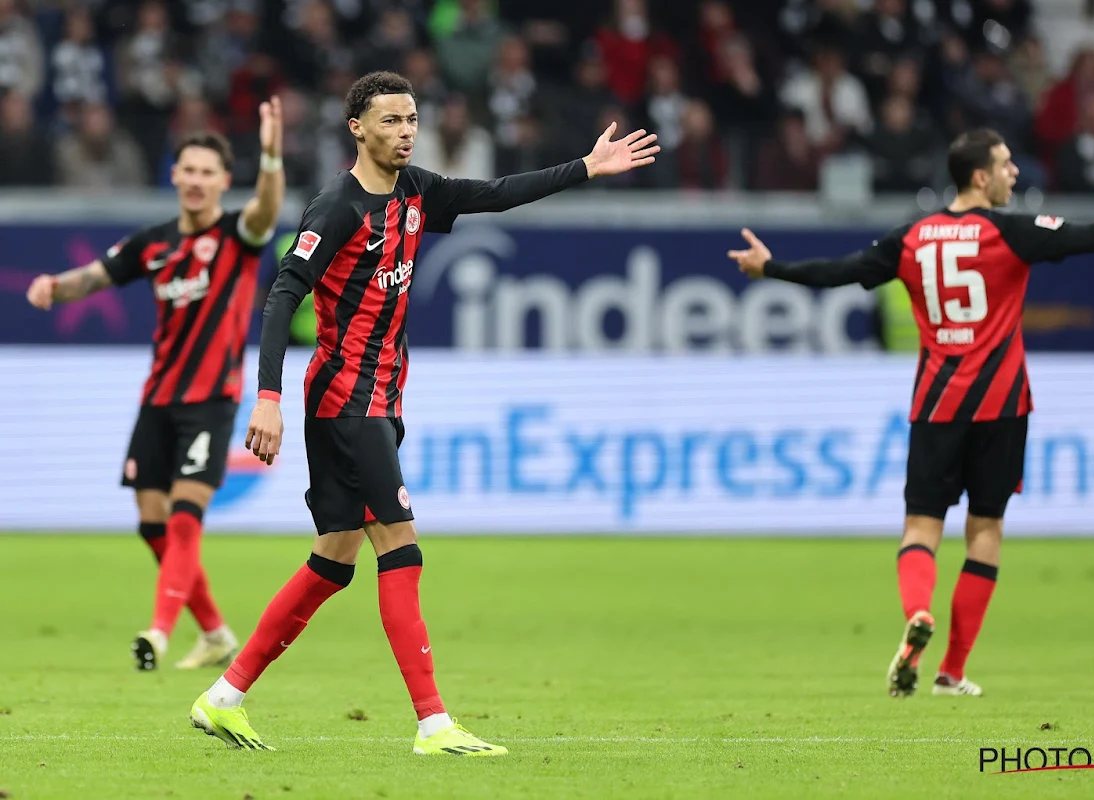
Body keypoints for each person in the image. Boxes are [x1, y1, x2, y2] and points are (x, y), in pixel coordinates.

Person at [187, 71, 658, 754]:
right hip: (347, 400)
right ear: (357, 127)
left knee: (334, 559)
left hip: (379, 398)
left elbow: (495, 194)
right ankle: (434, 722)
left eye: (411, 120)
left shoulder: (416, 191)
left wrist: (586, 166)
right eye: (390, 122)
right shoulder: (336, 209)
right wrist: (267, 397)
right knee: (400, 545)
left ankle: (223, 696)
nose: (405, 132)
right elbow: (282, 295)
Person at [727, 128, 1094, 698]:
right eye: (1005, 166)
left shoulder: (910, 240)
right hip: (1002, 405)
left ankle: (918, 612)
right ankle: (951, 670)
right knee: (985, 531)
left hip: (936, 405)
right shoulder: (1013, 233)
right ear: (980, 177)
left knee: (921, 527)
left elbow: (840, 271)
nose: (1014, 174)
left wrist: (771, 269)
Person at [25, 99, 286, 672]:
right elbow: (95, 276)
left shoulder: (237, 235)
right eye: (187, 170)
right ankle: (216, 633)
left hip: (212, 400)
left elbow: (268, 209)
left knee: (185, 515)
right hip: (158, 398)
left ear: (222, 181)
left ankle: (160, 633)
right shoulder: (153, 242)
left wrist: (270, 154)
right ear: (174, 175)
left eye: (206, 173)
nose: (195, 181)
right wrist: (52, 285)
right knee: (151, 524)